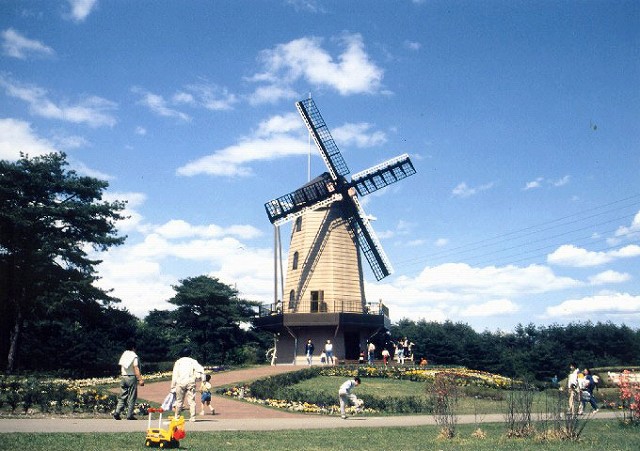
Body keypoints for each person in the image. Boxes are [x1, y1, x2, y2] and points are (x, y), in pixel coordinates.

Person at [113, 339, 144, 420]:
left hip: (123, 377)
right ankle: (129, 415)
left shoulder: (124, 354)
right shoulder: (134, 356)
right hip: (131, 377)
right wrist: (140, 379)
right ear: (133, 347)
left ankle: (117, 412)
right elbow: (135, 367)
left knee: (122, 396)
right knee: (132, 397)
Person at [171, 347, 205, 422]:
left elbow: (175, 375)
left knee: (179, 400)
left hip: (180, 382)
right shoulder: (193, 361)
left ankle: (177, 417)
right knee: (191, 400)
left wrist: (172, 386)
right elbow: (201, 369)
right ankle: (192, 417)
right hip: (190, 382)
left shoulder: (178, 362)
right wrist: (198, 377)